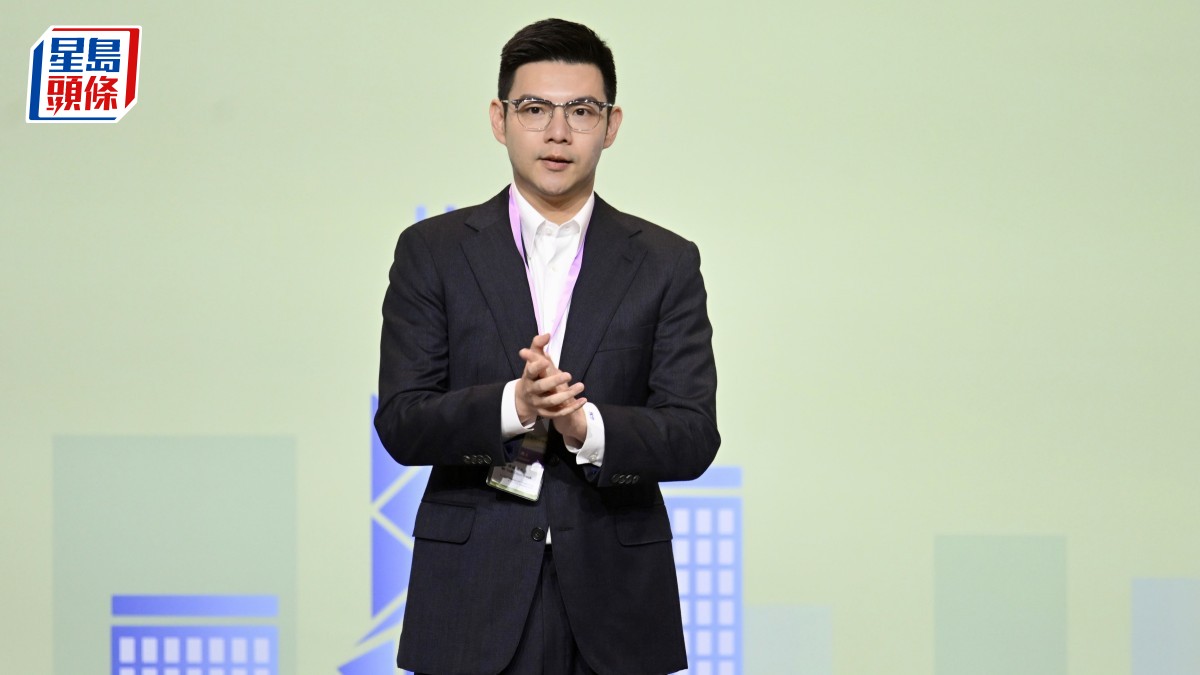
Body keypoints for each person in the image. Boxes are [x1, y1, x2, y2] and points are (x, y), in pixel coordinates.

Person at [374, 17, 720, 675]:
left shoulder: (666, 262)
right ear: (500, 119)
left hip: (617, 598)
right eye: (535, 109)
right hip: (472, 593)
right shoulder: (433, 252)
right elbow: (402, 421)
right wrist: (517, 405)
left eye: (581, 111)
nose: (558, 132)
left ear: (611, 125)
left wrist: (586, 426)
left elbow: (693, 434)